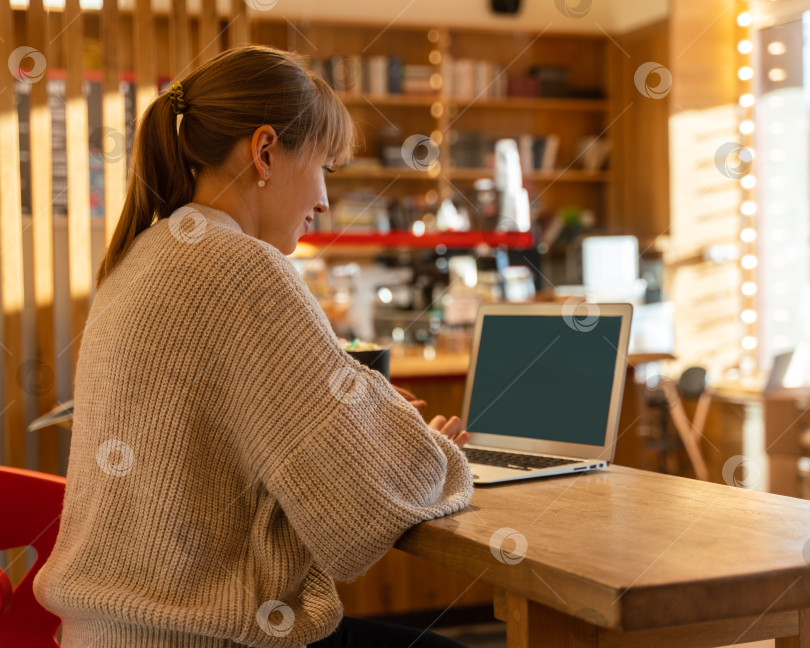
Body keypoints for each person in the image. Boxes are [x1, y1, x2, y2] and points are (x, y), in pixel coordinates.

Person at [33, 45, 474, 648]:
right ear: (265, 151)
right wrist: (422, 453)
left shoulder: (145, 253)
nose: (323, 199)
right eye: (324, 167)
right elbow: (362, 508)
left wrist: (369, 426)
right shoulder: (240, 267)